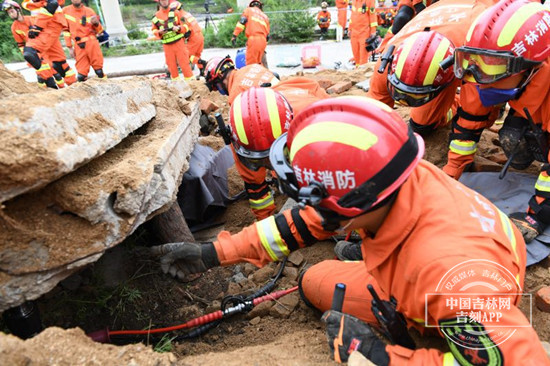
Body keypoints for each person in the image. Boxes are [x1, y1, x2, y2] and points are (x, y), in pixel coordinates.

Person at [151, 96, 549, 364]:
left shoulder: (452, 278)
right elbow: (303, 223)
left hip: (454, 290)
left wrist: (383, 356)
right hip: (423, 269)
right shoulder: (389, 179)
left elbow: (518, 360)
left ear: (349, 209)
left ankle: (427, 332)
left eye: (314, 200)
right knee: (313, 282)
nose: (308, 209)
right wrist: (214, 253)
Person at [452, 0, 550, 243]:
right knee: (513, 137)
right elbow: (468, 122)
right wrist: (453, 170)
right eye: (476, 64)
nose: (481, 78)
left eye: (494, 68)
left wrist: (537, 213)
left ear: (531, 68)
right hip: (533, 98)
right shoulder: (482, 72)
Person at [368, 0, 499, 149]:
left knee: (423, 125)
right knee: (416, 122)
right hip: (444, 10)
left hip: (480, 8)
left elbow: (483, 107)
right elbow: (375, 111)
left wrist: (489, 113)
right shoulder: (386, 61)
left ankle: (455, 103)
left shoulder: (475, 52)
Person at [226, 80, 330, 220]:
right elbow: (256, 188)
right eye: (259, 160)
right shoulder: (242, 139)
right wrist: (265, 222)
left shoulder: (315, 121)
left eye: (275, 154)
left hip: (308, 95)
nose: (270, 163)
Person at [2, 0, 58, 88]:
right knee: (43, 75)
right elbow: (20, 44)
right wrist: (27, 56)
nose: (11, 14)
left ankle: (61, 90)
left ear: (18, 10)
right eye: (9, 13)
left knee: (54, 73)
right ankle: (50, 90)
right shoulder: (14, 27)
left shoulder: (32, 19)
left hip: (42, 49)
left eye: (12, 11)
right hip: (32, 52)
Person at [21, 0, 77, 87]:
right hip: (47, 25)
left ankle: (51, 86)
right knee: (59, 63)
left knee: (31, 52)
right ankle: (75, 87)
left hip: (50, 24)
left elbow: (52, 4)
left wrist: (38, 26)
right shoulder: (29, 2)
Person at [203, 55, 279, 105]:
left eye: (216, 87)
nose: (218, 90)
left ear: (220, 75)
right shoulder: (253, 66)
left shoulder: (235, 95)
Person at [63, 0, 106, 82]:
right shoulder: (66, 11)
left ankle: (107, 87)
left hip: (92, 43)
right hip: (79, 46)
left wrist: (97, 24)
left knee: (99, 71)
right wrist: (70, 47)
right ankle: (84, 92)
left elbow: (100, 31)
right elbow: (66, 31)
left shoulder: (89, 11)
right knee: (81, 75)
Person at [151, 0, 194, 81]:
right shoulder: (155, 17)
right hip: (167, 46)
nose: (164, 2)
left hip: (179, 44)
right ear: (159, 2)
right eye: (162, 0)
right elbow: (154, 30)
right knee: (171, 67)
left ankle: (192, 84)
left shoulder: (176, 12)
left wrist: (178, 28)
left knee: (184, 64)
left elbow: (187, 26)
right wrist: (159, 32)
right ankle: (176, 86)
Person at [169, 1, 207, 76]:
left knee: (186, 55)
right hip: (199, 35)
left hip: (193, 38)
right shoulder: (187, 14)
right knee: (196, 55)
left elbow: (187, 31)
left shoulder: (182, 17)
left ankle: (202, 62)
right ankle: (202, 71)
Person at [231, 0, 270, 66]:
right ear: (260, 6)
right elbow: (268, 35)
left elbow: (242, 23)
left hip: (254, 39)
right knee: (259, 63)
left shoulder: (248, 10)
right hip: (263, 41)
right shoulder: (265, 16)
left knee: (251, 64)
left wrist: (234, 35)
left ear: (251, 5)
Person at [348, 0, 378, 68]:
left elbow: (372, 16)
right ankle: (358, 69)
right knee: (355, 52)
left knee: (363, 55)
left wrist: (373, 31)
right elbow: (352, 16)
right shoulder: (354, 1)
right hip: (354, 33)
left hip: (364, 33)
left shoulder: (369, 1)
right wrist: (349, 29)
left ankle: (362, 70)